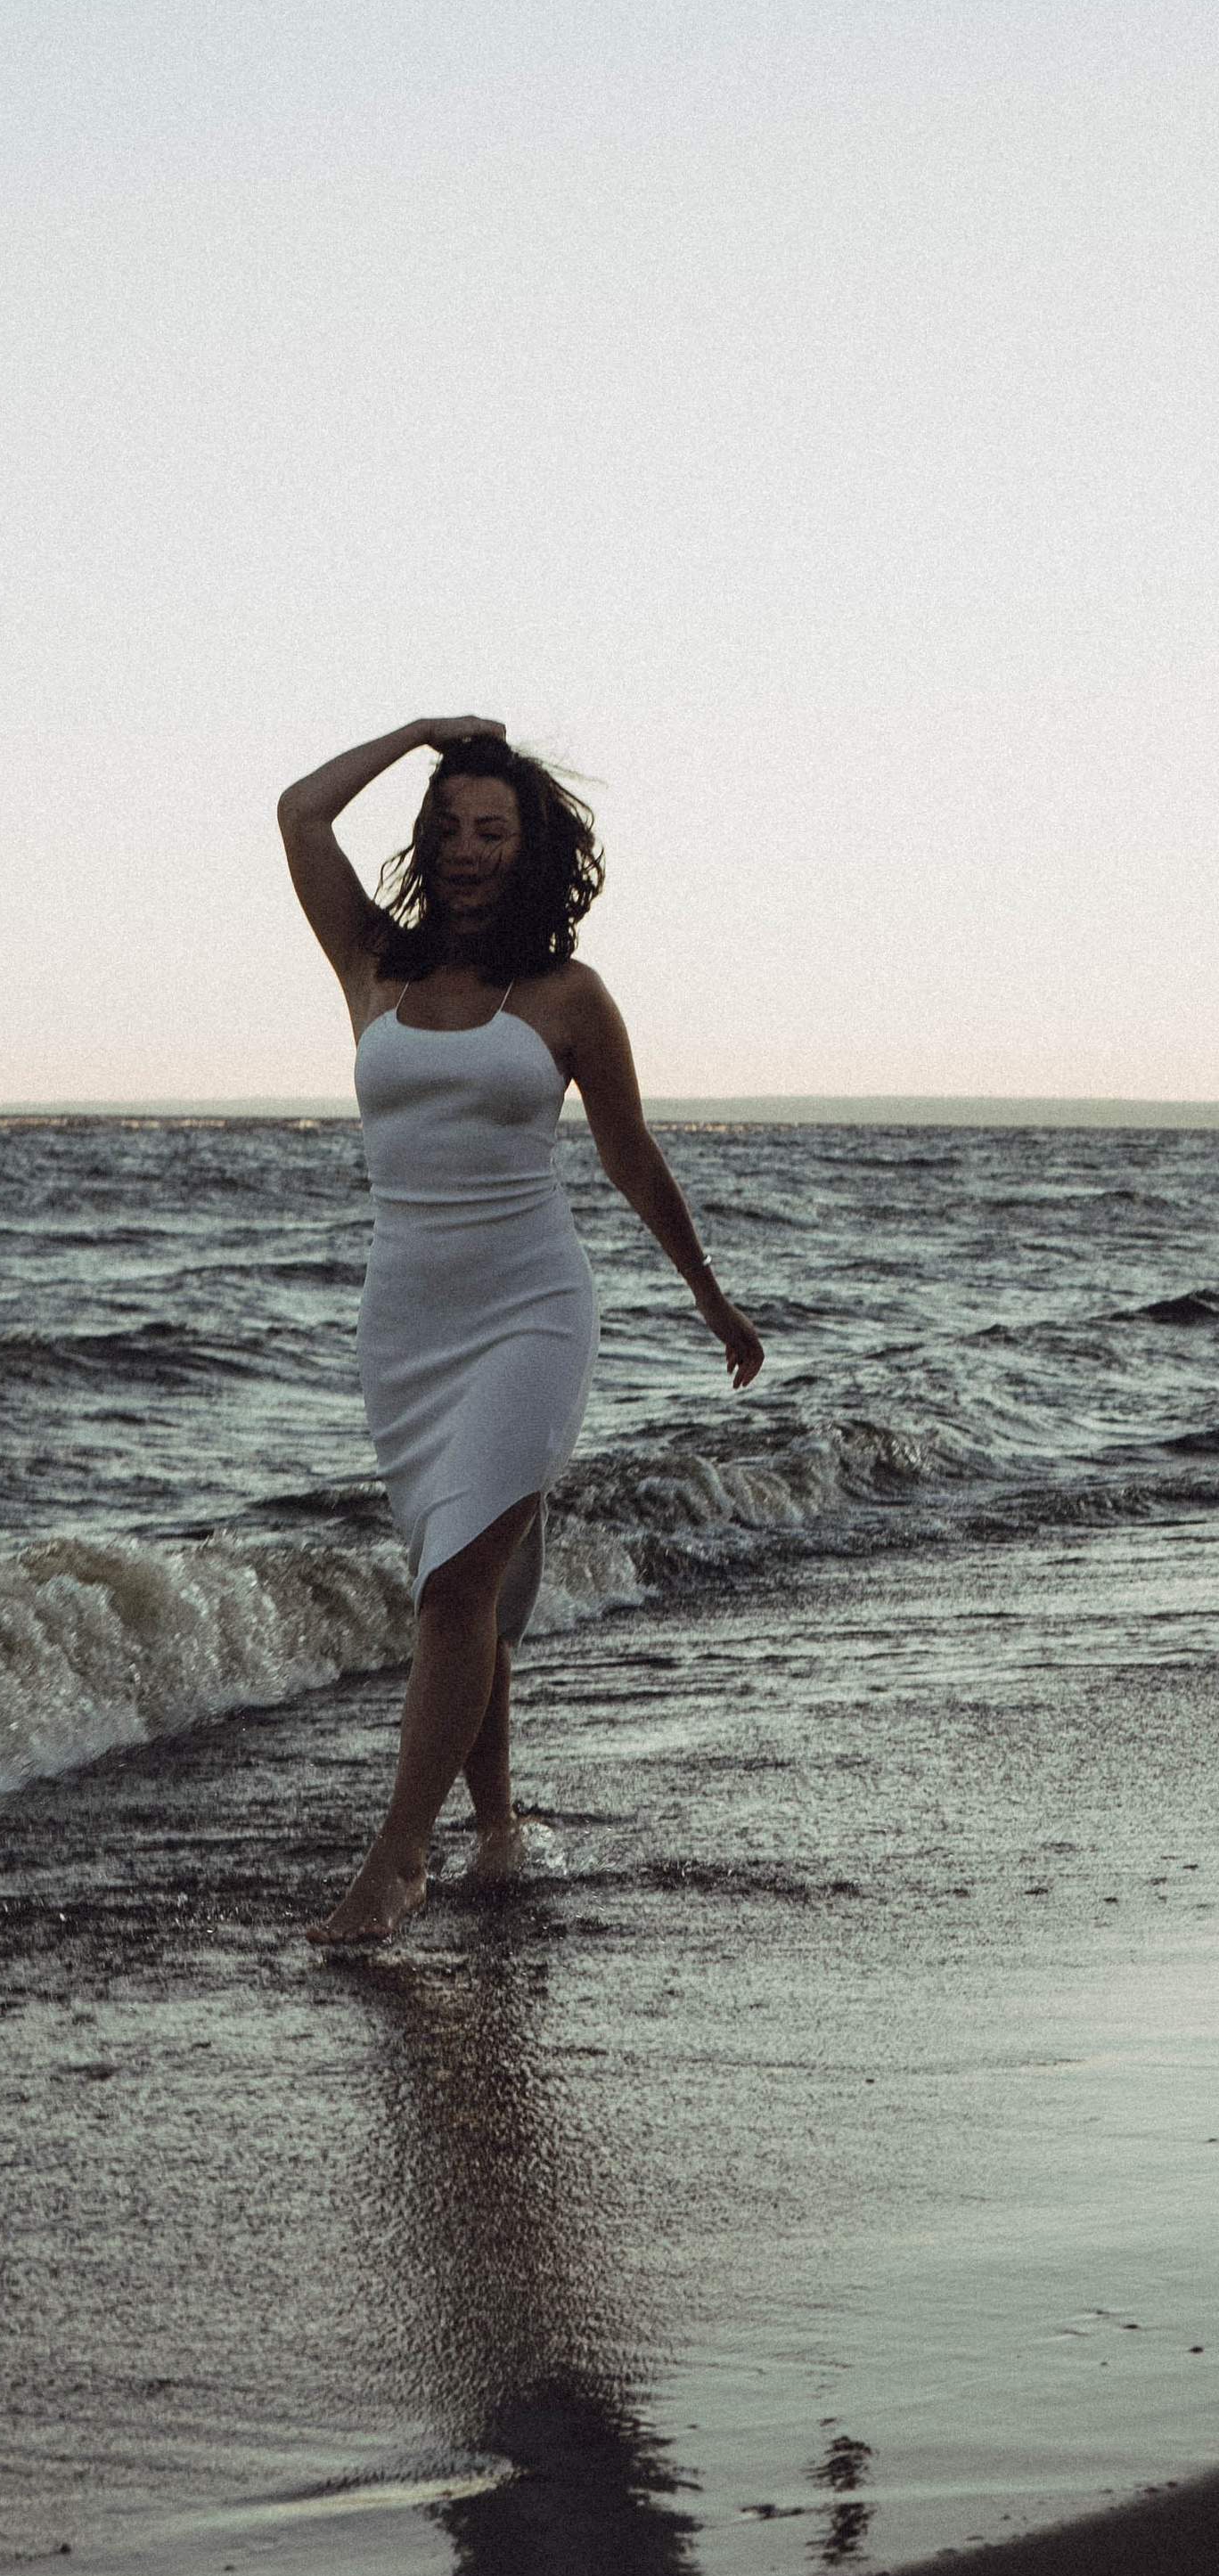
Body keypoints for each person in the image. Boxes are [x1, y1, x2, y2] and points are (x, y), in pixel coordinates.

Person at [279, 714, 763, 1944]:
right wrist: (421, 735)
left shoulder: (565, 996)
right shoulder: (371, 968)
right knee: (465, 1588)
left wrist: (707, 1294)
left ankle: (395, 1861)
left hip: (529, 1313)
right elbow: (299, 813)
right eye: (448, 826)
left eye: (493, 829)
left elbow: (628, 1155)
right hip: (404, 1329)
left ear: (532, 848)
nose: (467, 848)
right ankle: (495, 1826)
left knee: (454, 1592)